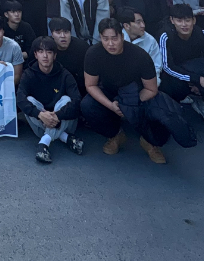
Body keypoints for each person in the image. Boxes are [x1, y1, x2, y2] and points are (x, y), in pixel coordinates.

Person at [81, 18, 191, 164]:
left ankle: (150, 142)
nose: (110, 43)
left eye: (114, 38)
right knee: (87, 105)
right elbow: (90, 85)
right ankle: (115, 135)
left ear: (122, 36)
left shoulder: (140, 56)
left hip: (138, 94)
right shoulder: (93, 53)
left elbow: (151, 89)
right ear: (100, 37)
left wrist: (129, 104)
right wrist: (111, 105)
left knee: (163, 112)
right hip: (110, 92)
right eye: (105, 39)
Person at [18, 36, 83, 164]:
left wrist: (57, 116)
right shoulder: (28, 74)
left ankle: (43, 143)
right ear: (36, 55)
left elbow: (77, 100)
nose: (45, 56)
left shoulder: (65, 74)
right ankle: (66, 138)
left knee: (66, 99)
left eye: (49, 52)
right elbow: (20, 98)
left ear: (55, 55)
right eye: (41, 51)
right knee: (29, 100)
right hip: (40, 123)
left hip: (64, 122)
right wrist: (40, 115)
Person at [49, 17, 88, 91]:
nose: (63, 36)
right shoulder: (46, 48)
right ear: (52, 34)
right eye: (58, 32)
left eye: (66, 32)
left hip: (78, 87)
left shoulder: (82, 47)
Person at [119, 7, 162, 74]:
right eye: (138, 22)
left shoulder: (150, 40)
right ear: (126, 25)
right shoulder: (117, 40)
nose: (143, 25)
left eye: (143, 21)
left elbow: (156, 66)